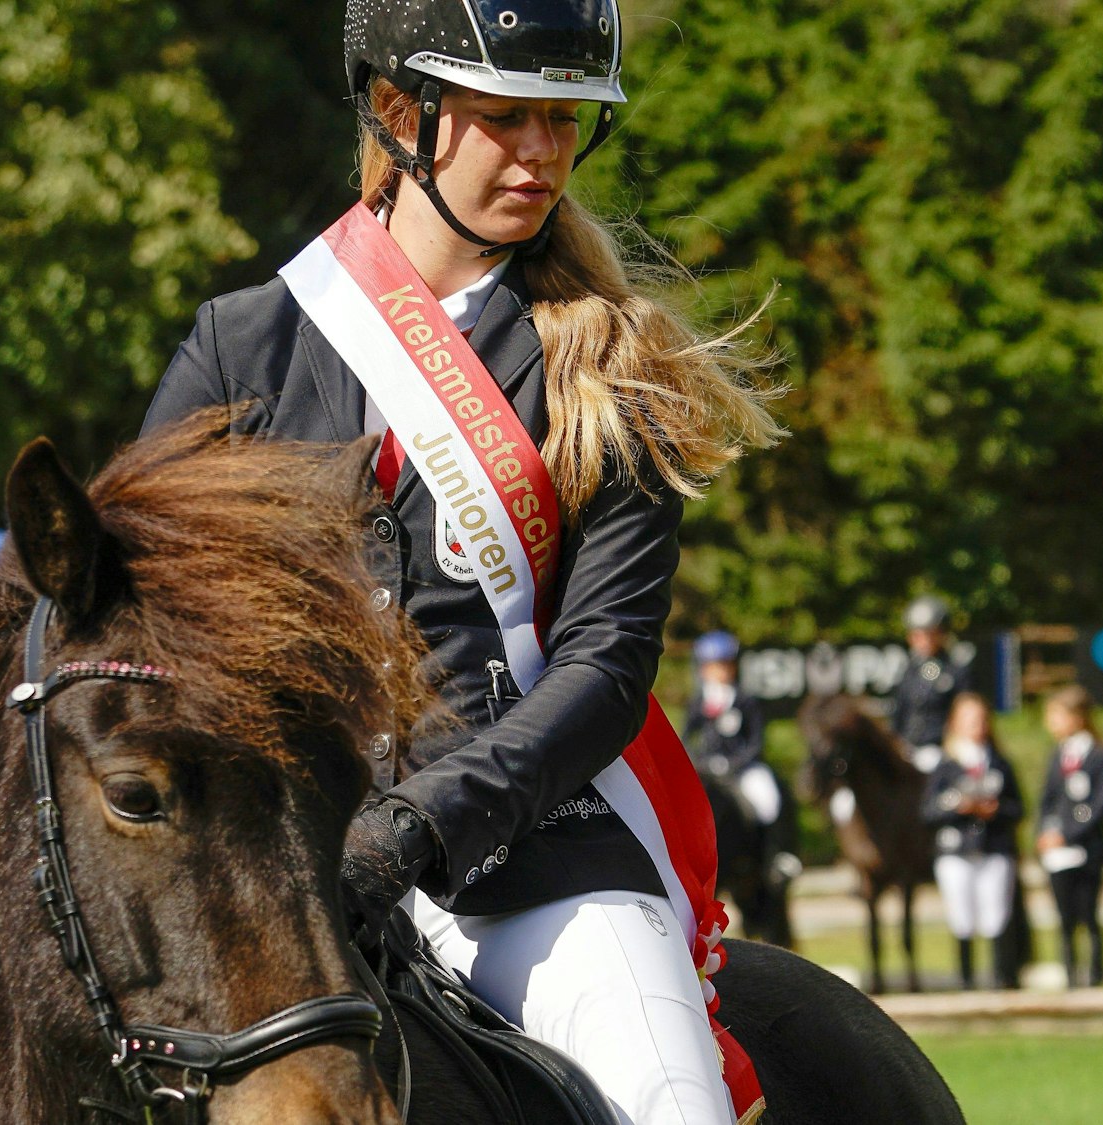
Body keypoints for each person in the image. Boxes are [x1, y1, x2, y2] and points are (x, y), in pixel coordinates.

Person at [142, 1, 784, 1118]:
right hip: (272, 869)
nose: (543, 155)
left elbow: (604, 667)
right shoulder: (240, 344)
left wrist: (418, 828)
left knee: (670, 1102)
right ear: (401, 112)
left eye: (564, 122)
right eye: (507, 118)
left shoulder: (610, 364)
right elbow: (139, 623)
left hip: (533, 865)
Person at [920, 693, 1022, 990]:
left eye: (980, 720)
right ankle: (966, 981)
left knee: (995, 915)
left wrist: (995, 810)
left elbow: (1018, 808)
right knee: (962, 917)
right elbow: (927, 811)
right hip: (956, 849)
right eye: (969, 720)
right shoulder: (947, 765)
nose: (976, 726)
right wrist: (956, 807)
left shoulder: (999, 763)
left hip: (993, 848)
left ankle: (1002, 979)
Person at [684, 631, 793, 880]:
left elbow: (756, 742)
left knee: (768, 799)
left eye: (725, 664)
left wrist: (734, 763)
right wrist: (701, 761)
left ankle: (776, 858)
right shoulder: (698, 702)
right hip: (708, 769)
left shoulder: (746, 700)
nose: (720, 671)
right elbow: (686, 738)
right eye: (713, 666)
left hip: (744, 768)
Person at [1036, 686, 1103, 988]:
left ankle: (1095, 975)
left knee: (1089, 914)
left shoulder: (1101, 756)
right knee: (1065, 918)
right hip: (1057, 852)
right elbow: (1047, 799)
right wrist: (1044, 833)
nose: (1051, 723)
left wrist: (1069, 834)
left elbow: (1102, 804)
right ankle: (1071, 975)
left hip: (1088, 848)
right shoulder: (1058, 754)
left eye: (1056, 716)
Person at [890, 596, 964, 775]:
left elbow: (962, 715)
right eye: (917, 634)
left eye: (928, 634)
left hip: (939, 749)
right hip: (906, 747)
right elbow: (900, 711)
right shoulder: (909, 670)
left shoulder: (955, 671)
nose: (922, 640)